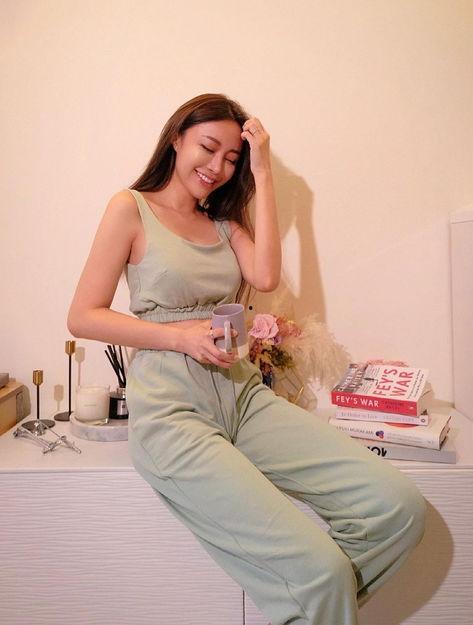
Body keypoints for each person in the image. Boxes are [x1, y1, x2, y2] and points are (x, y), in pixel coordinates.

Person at [68, 93, 426, 625]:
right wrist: (178, 337)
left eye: (231, 158)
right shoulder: (131, 208)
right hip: (172, 411)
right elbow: (83, 316)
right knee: (321, 572)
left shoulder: (222, 223)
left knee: (397, 508)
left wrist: (263, 171)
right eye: (208, 147)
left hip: (242, 396)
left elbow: (265, 276)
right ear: (176, 139)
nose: (217, 167)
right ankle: (318, 598)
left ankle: (316, 605)